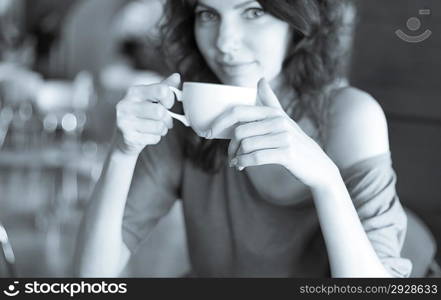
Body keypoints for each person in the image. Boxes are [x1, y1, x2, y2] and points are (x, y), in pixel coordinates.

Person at [74, 0, 412, 277]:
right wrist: (122, 152)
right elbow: (88, 280)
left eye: (253, 12)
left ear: (296, 22)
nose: (224, 42)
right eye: (208, 14)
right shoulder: (185, 114)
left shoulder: (350, 117)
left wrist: (326, 181)